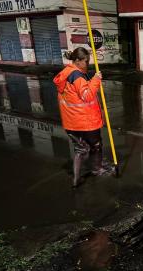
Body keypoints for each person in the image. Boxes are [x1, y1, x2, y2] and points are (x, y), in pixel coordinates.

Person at [53, 47, 108, 187]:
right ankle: (97, 169)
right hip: (85, 122)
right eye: (85, 61)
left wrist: (91, 80)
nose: (87, 63)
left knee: (80, 149)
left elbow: (76, 93)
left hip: (71, 122)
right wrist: (96, 80)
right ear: (77, 60)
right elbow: (86, 95)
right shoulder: (76, 76)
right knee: (96, 145)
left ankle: (76, 179)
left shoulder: (67, 73)